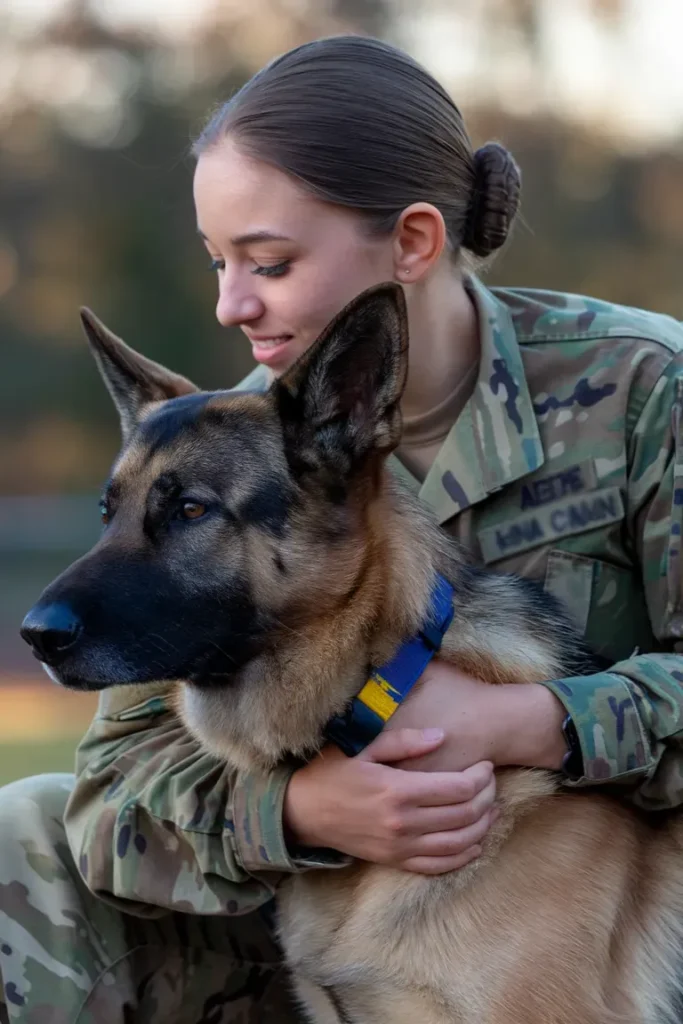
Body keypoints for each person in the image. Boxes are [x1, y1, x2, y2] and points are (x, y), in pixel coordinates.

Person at [2, 33, 683, 1024]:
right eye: (216, 261)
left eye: (267, 261)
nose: (232, 304)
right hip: (309, 905)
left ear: (410, 242)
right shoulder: (226, 444)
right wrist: (299, 811)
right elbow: (115, 787)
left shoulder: (642, 389)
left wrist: (537, 722)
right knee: (24, 830)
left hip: (568, 895)